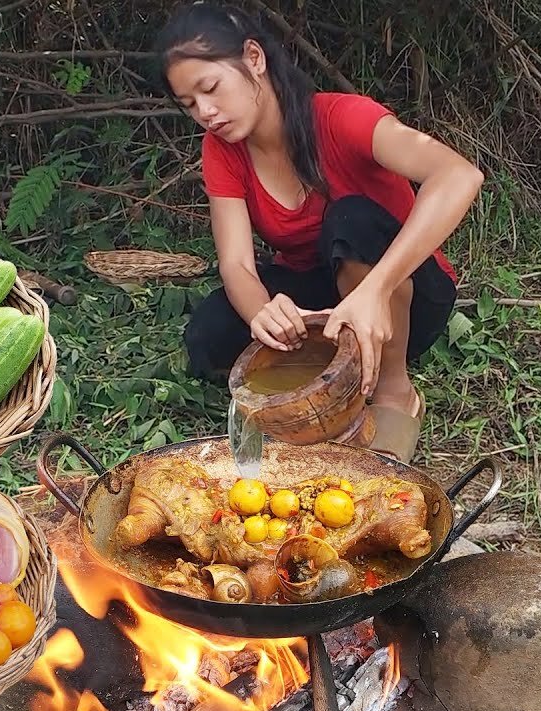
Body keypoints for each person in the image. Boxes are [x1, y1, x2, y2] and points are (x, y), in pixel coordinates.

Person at [155, 1, 483, 462]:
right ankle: (320, 377)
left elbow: (459, 175)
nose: (206, 112)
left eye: (211, 88)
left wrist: (376, 290)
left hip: (406, 294)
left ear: (254, 58)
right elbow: (236, 264)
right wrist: (264, 313)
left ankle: (392, 389)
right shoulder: (223, 150)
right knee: (210, 333)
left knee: (349, 219)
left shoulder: (340, 118)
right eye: (190, 104)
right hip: (325, 293)